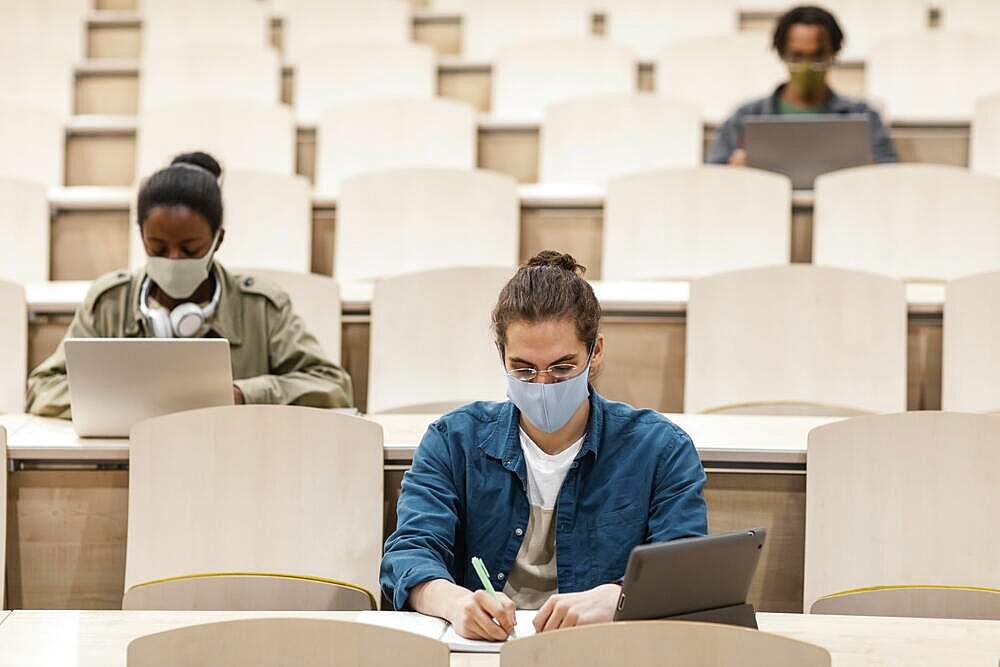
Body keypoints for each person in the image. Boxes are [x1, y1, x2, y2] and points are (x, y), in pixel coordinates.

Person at [380, 251, 707, 639]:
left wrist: (618, 597)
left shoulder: (659, 450)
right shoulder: (453, 441)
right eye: (523, 369)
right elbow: (408, 553)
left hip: (604, 652)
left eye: (562, 367)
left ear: (595, 351)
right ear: (501, 355)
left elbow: (686, 571)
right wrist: (453, 602)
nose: (542, 384)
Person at [26, 151, 353, 417]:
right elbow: (44, 387)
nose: (174, 258)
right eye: (158, 247)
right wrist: (126, 402)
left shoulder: (261, 306)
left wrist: (242, 395)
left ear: (217, 240)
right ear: (141, 237)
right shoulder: (109, 302)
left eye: (190, 248)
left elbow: (332, 387)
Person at [707, 5, 898, 166]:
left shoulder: (863, 117)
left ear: (835, 53)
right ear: (781, 53)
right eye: (797, 56)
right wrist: (734, 172)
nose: (807, 66)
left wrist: (871, 169)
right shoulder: (745, 117)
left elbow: (889, 178)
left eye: (817, 56)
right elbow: (713, 178)